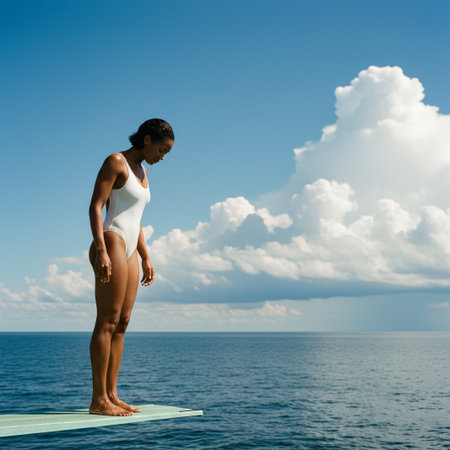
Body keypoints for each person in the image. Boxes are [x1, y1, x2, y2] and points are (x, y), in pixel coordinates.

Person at [88, 118, 174, 416]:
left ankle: (112, 394)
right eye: (162, 149)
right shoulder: (116, 161)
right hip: (111, 241)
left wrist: (146, 256)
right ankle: (98, 399)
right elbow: (96, 206)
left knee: (123, 323)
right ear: (147, 138)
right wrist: (101, 250)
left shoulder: (143, 171)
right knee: (107, 320)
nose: (163, 156)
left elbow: (135, 218)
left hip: (131, 247)